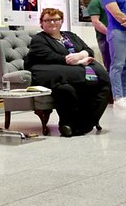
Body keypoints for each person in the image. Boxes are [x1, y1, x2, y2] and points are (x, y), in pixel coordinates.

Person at [24, 8, 110, 137]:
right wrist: (77, 61)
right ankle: (67, 124)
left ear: (61, 21)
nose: (52, 23)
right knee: (66, 89)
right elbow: (50, 56)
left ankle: (84, 124)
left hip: (74, 71)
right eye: (48, 20)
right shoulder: (39, 39)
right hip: (51, 74)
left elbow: (87, 49)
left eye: (56, 19)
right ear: (42, 23)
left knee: (103, 87)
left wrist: (81, 54)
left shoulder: (70, 35)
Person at [87, 0, 113, 71]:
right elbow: (96, 22)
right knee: (111, 65)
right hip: (105, 38)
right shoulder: (96, 2)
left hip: (120, 36)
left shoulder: (115, 0)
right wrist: (110, 34)